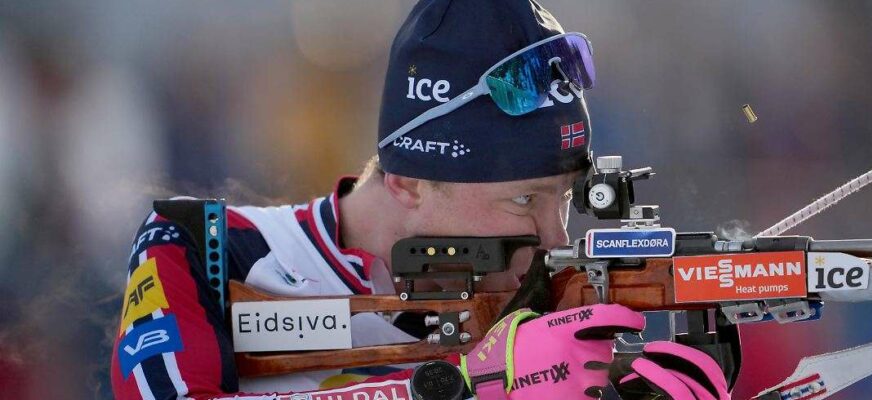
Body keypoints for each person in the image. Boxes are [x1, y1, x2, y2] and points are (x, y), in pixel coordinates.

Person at [110, 1, 731, 399]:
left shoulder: (540, 299)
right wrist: (460, 388)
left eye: (562, 200)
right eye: (523, 201)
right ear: (405, 180)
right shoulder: (205, 251)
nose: (555, 241)